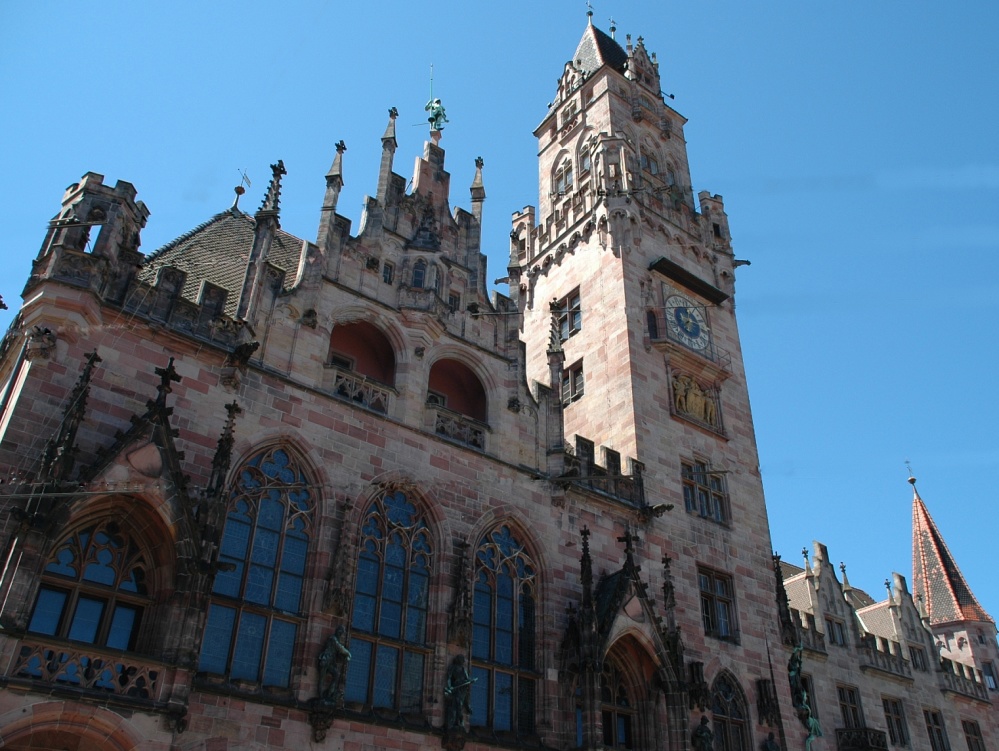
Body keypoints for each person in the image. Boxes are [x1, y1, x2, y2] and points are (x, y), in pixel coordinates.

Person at [318, 625, 351, 702]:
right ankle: (320, 697)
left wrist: (344, 657)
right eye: (340, 632)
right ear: (338, 631)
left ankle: (329, 694)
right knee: (321, 679)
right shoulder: (333, 639)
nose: (341, 634)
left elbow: (338, 652)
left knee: (336, 675)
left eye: (341, 633)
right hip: (325, 660)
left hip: (330, 662)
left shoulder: (336, 640)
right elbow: (340, 648)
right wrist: (348, 654)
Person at [444, 654, 475, 729]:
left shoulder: (463, 669)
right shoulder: (453, 667)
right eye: (462, 660)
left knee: (461, 704)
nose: (463, 661)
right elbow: (449, 678)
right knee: (457, 704)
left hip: (463, 688)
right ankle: (457, 722)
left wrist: (471, 681)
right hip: (456, 687)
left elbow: (467, 679)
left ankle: (460, 721)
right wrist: (449, 687)